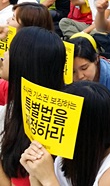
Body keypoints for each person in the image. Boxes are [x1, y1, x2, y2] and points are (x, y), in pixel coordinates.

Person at [20, 82, 110, 186]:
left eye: (62, 120)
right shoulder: (65, 157)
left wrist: (48, 179)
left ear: (83, 128)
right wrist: (35, 174)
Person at [0, 27, 66, 186]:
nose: (3, 56)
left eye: (9, 50)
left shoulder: (60, 124)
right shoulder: (12, 108)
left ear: (23, 61)